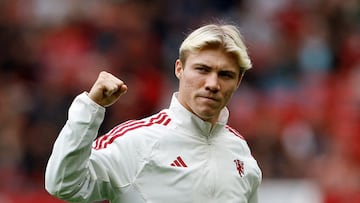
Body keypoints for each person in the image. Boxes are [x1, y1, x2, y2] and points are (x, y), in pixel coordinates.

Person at [45, 23, 262, 203]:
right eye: (202, 70)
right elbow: (63, 184)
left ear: (238, 81)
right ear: (179, 69)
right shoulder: (138, 141)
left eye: (225, 75)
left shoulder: (239, 151)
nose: (212, 84)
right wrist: (90, 107)